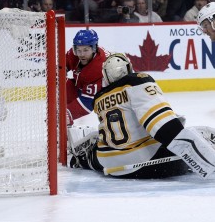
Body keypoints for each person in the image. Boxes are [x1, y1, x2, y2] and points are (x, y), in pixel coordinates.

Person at [69, 52, 215, 179]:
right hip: (147, 164)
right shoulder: (137, 82)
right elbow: (163, 126)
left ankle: (81, 158)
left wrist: (83, 161)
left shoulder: (98, 99)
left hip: (111, 164)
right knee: (203, 133)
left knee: (102, 145)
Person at [66, 29, 109, 125]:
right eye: (79, 50)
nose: (81, 54)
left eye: (86, 50)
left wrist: (67, 114)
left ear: (94, 49)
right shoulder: (74, 54)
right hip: (85, 86)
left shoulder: (97, 68)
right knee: (61, 83)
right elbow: (61, 66)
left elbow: (88, 103)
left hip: (109, 96)